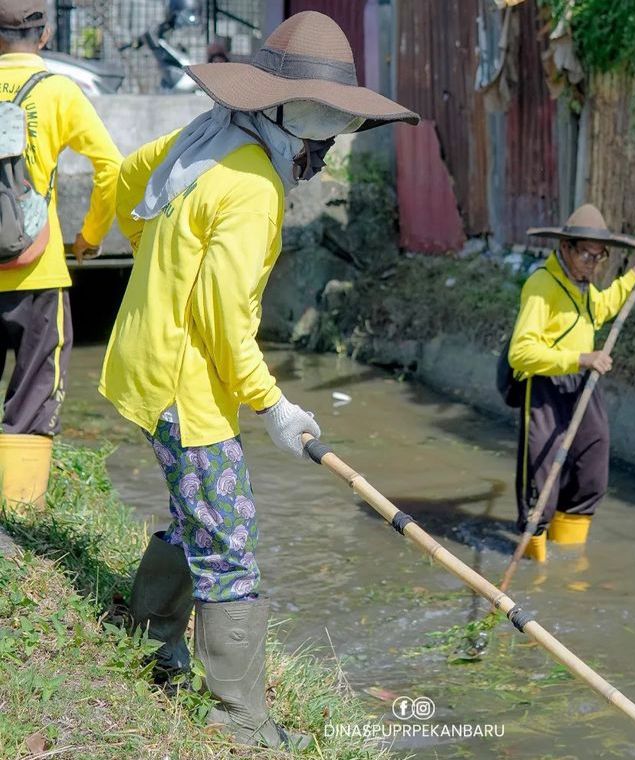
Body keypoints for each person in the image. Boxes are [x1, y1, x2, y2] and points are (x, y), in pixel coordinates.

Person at [99, 11, 418, 749]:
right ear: (291, 120)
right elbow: (223, 320)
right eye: (322, 135)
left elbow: (127, 177)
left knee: (197, 513)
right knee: (231, 539)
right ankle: (239, 719)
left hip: (146, 360)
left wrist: (156, 262)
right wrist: (274, 407)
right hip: (184, 383)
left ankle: (146, 636)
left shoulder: (208, 134)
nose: (325, 151)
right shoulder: (255, 190)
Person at [0, 0, 121, 506]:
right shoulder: (59, 91)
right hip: (38, 272)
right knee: (33, 399)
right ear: (45, 36)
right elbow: (111, 165)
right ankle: (18, 514)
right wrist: (90, 235)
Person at [507, 204, 635, 563]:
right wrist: (580, 358)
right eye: (586, 255)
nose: (593, 264)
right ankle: (532, 564)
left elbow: (602, 308)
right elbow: (521, 352)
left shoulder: (583, 286)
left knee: (591, 466)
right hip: (546, 386)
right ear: (565, 248)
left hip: (582, 384)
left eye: (599, 256)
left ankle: (570, 564)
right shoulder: (542, 285)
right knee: (541, 480)